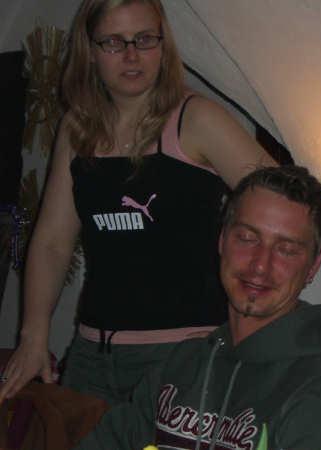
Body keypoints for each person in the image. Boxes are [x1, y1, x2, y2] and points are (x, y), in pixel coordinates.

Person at [0, 0, 275, 405]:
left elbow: (287, 205)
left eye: (144, 39)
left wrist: (257, 307)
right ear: (90, 51)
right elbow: (53, 243)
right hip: (93, 357)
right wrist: (33, 337)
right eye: (114, 42)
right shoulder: (77, 128)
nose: (131, 55)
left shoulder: (197, 119)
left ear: (164, 46)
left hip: (183, 357)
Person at [74, 165, 321, 450]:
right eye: (247, 238)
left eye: (286, 250)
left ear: (313, 265)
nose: (260, 265)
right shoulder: (182, 365)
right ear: (222, 240)